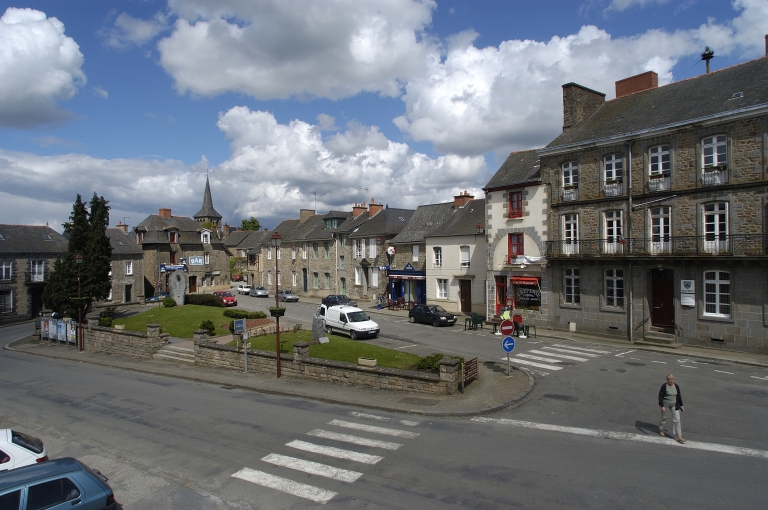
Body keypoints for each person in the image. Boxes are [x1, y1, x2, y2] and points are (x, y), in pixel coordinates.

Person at [658, 373, 685, 443]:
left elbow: (679, 396)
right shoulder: (664, 386)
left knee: (677, 419)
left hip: (674, 405)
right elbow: (660, 396)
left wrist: (681, 405)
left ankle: (679, 436)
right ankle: (661, 429)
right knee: (664, 418)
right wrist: (662, 406)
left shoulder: (676, 386)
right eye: (670, 380)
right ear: (667, 380)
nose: (672, 381)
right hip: (665, 404)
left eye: (673, 379)